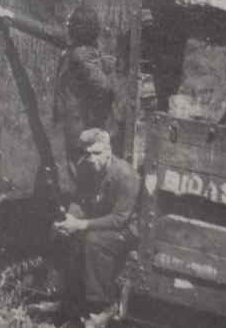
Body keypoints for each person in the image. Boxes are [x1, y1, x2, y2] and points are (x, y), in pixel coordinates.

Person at [0, 3, 116, 179]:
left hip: (79, 129)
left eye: (71, 21)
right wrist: (9, 16)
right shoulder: (78, 46)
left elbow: (105, 87)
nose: (67, 22)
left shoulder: (80, 57)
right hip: (75, 127)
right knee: (73, 172)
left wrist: (95, 121)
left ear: (78, 29)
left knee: (78, 175)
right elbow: (46, 32)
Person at [52, 128, 140, 328]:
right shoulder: (86, 168)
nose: (92, 159)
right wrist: (69, 218)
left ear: (109, 151)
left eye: (97, 153)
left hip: (126, 230)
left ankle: (102, 307)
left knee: (94, 241)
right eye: (87, 153)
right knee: (64, 234)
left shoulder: (126, 175)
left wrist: (81, 224)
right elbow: (80, 200)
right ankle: (70, 299)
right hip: (100, 222)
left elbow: (120, 219)